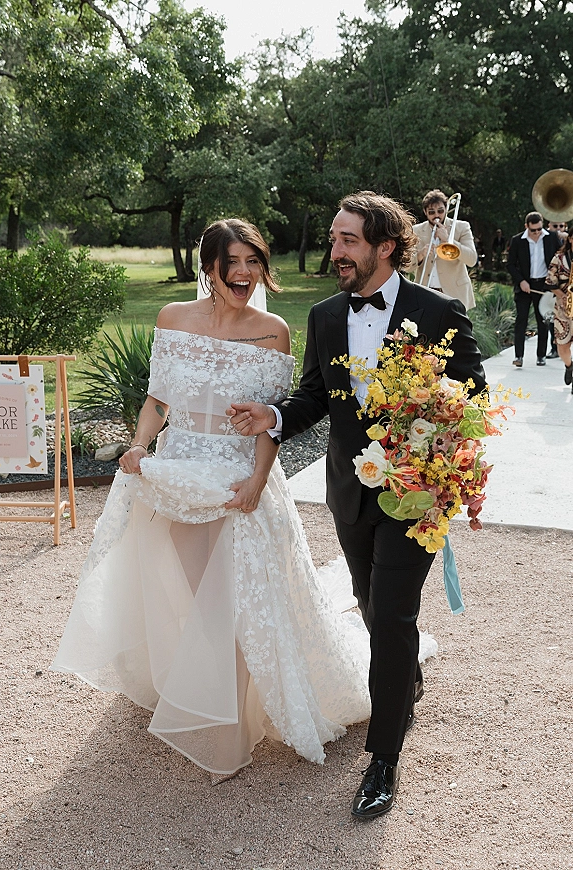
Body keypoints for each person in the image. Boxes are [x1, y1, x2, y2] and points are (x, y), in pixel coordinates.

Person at [51, 218, 387, 781]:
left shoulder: (274, 330)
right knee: (185, 593)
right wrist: (137, 444)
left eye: (254, 262)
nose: (244, 273)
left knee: (233, 605)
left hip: (237, 485)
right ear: (209, 267)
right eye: (233, 262)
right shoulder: (172, 319)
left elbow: (270, 423)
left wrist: (257, 481)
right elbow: (157, 400)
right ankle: (187, 688)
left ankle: (228, 728)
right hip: (176, 478)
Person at [227, 191, 486, 819]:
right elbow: (315, 394)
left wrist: (439, 456)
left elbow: (472, 403)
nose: (335, 251)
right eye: (335, 239)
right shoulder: (323, 317)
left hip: (415, 496)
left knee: (393, 615)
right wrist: (277, 414)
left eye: (348, 241)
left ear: (384, 247)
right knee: (371, 605)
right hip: (347, 491)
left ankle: (382, 761)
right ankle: (405, 682)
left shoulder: (440, 314)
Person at [507, 211, 560, 367]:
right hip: (524, 285)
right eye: (533, 230)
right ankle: (518, 356)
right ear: (526, 227)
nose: (536, 233)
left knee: (542, 320)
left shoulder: (551, 237)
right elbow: (510, 264)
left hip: (543, 285)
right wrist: (521, 281)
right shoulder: (517, 240)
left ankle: (541, 356)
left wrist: (553, 282)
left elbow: (559, 259)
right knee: (521, 320)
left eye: (539, 229)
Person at [410, 189, 478, 311]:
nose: (436, 215)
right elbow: (405, 266)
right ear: (425, 212)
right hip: (425, 291)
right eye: (431, 212)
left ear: (446, 209)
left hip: (455, 293)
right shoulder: (416, 231)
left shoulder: (461, 227)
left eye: (440, 211)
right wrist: (420, 255)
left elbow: (472, 259)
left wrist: (448, 240)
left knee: (455, 330)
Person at [545, 226, 573, 390]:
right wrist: (563, 296)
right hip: (563, 307)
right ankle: (569, 366)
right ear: (570, 238)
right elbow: (549, 282)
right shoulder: (559, 257)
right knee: (562, 346)